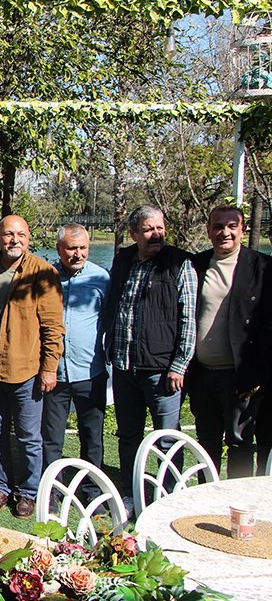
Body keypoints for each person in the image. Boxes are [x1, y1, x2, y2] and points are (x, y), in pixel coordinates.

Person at [101, 204, 197, 504]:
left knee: (167, 439)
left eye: (160, 228)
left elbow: (189, 318)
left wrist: (179, 365)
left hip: (162, 371)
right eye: (148, 229)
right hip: (124, 367)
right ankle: (132, 493)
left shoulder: (180, 263)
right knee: (128, 436)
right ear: (133, 234)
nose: (156, 234)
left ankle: (169, 498)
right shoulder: (123, 259)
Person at [0, 215, 64, 518]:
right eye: (9, 234)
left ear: (28, 237)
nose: (15, 240)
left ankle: (27, 492)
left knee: (28, 437)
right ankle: (1, 487)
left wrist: (49, 368)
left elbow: (53, 327)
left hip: (26, 370)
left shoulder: (43, 273)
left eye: (21, 235)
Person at [188, 205, 272, 478]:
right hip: (202, 375)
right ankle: (206, 494)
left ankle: (239, 499)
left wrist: (258, 374)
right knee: (206, 443)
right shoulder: (196, 265)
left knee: (239, 442)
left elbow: (269, 327)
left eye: (232, 226)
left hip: (241, 377)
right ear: (208, 230)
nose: (225, 232)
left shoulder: (262, 267)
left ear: (242, 230)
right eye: (218, 226)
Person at [42, 223, 110, 501]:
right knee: (51, 438)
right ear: (59, 248)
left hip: (90, 372)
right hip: (54, 374)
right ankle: (53, 492)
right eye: (71, 248)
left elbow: (110, 321)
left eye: (83, 248)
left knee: (92, 437)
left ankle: (93, 492)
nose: (78, 254)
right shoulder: (46, 277)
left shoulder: (101, 278)